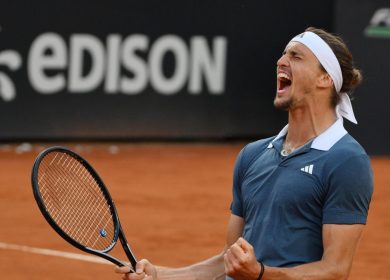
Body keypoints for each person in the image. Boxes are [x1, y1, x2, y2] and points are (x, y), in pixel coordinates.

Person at [115, 27, 374, 280]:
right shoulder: (252, 155)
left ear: (325, 78)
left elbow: (335, 270)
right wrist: (161, 275)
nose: (281, 61)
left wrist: (260, 274)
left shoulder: (346, 161)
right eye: (284, 54)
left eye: (296, 56)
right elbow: (229, 261)